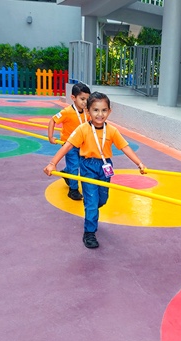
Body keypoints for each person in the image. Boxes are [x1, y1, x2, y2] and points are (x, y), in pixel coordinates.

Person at [44, 92, 146, 249]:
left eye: (104, 110)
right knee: (92, 203)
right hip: (88, 166)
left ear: (109, 112)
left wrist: (139, 163)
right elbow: (68, 146)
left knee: (102, 200)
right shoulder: (83, 129)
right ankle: (89, 232)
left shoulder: (112, 130)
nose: (100, 114)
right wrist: (52, 163)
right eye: (96, 110)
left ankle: (90, 204)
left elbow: (125, 147)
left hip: (106, 166)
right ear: (88, 111)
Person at [48, 83, 91, 200]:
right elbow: (52, 120)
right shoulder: (66, 111)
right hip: (69, 145)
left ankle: (67, 173)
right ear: (73, 98)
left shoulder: (88, 112)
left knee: (81, 165)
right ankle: (73, 190)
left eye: (87, 99)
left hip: (83, 145)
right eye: (82, 99)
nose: (85, 102)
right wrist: (51, 137)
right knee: (74, 166)